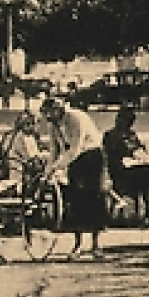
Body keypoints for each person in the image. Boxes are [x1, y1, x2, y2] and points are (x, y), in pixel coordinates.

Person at [40, 95, 107, 255]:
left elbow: (75, 148)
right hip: (73, 158)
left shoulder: (75, 118)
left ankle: (96, 244)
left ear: (58, 109)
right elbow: (54, 151)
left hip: (91, 156)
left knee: (93, 197)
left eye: (50, 113)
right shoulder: (53, 125)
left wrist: (57, 167)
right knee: (76, 199)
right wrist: (47, 172)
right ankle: (77, 243)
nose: (48, 118)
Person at [102, 105, 149, 225]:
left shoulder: (131, 134)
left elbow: (139, 150)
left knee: (148, 172)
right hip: (120, 172)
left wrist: (143, 158)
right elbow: (112, 157)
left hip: (133, 168)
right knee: (147, 174)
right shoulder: (110, 135)